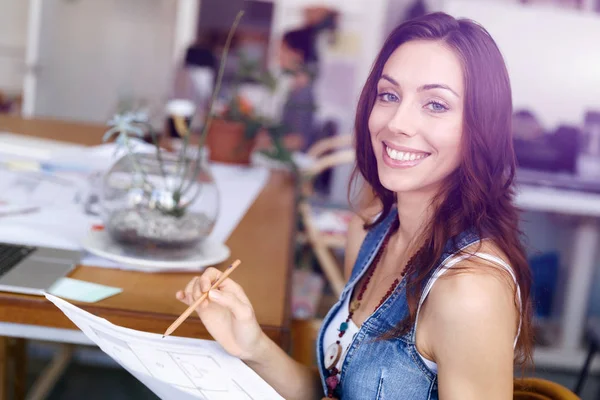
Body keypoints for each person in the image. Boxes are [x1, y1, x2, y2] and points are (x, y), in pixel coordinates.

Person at [176, 12, 533, 400]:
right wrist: (252, 346)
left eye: (436, 105)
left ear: (481, 127)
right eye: (389, 95)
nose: (398, 122)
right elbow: (335, 391)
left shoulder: (470, 290)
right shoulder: (370, 230)